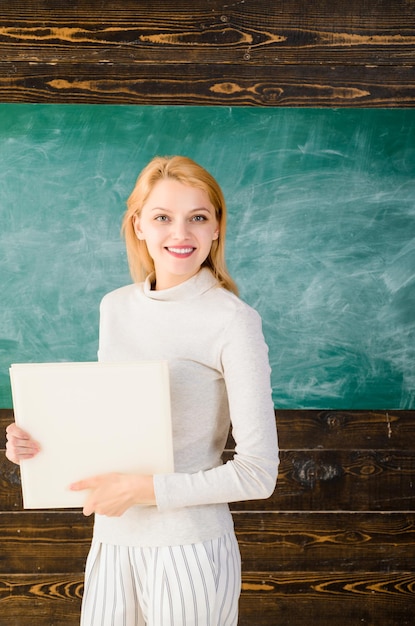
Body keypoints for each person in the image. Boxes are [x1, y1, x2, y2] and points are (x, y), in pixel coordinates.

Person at [6, 155, 279, 626]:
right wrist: (37, 447)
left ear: (216, 228)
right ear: (138, 226)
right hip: (112, 542)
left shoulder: (232, 321)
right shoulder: (115, 308)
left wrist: (145, 489)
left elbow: (258, 474)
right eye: (162, 217)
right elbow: (110, 429)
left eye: (198, 217)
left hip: (188, 548)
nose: (181, 233)